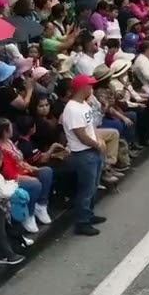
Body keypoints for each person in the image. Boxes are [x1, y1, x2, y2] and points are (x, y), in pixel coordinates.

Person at [62, 74, 108, 236]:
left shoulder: (84, 105)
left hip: (92, 151)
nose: (92, 88)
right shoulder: (72, 109)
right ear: (82, 88)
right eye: (89, 85)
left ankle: (89, 214)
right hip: (83, 154)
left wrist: (99, 140)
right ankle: (82, 222)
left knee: (93, 186)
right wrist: (96, 144)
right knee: (86, 190)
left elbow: (91, 127)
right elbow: (80, 134)